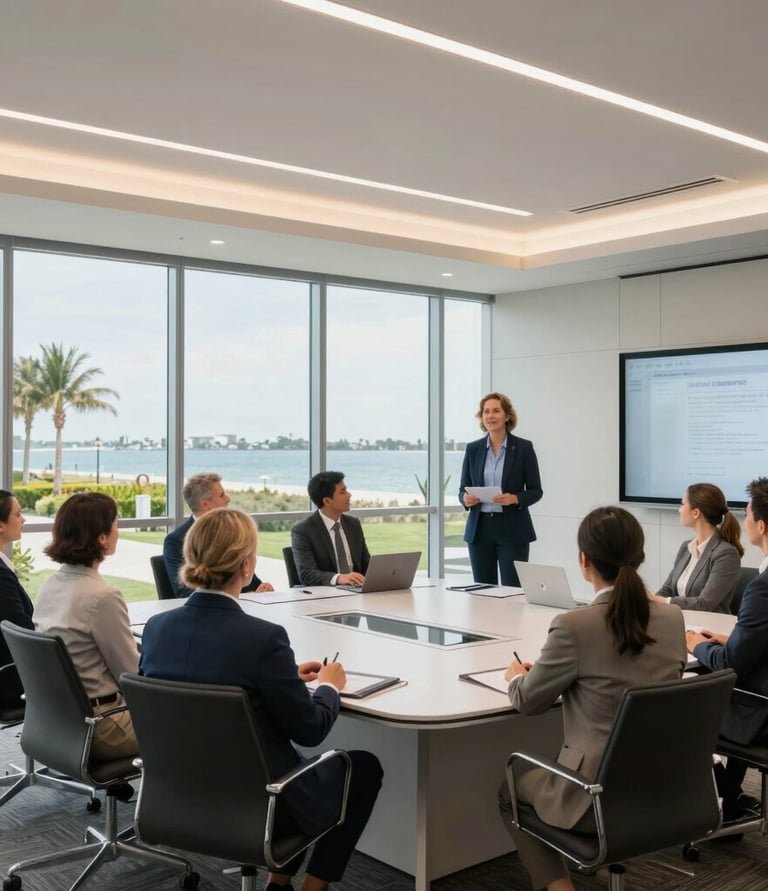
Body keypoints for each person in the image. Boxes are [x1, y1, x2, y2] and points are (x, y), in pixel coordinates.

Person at [140, 508, 382, 891]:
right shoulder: (262, 638)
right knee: (361, 767)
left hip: (177, 796)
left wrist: (283, 676)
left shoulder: (156, 628)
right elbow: (310, 728)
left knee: (293, 768)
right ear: (247, 564)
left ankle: (278, 882)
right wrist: (329, 686)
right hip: (261, 803)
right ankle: (311, 887)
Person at [498, 506, 687, 891]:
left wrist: (520, 676)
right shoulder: (673, 619)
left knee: (510, 788)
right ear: (640, 557)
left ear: (584, 561)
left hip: (594, 796)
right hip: (667, 787)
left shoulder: (574, 626)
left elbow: (528, 702)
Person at [34, 492, 139, 759]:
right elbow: (132, 675)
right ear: (101, 537)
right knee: (194, 721)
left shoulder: (49, 585)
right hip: (105, 726)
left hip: (59, 721)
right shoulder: (102, 596)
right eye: (115, 523)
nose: (118, 531)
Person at [687, 477, 768, 821]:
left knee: (678, 708)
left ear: (761, 526)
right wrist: (728, 638)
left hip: (761, 711)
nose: (744, 518)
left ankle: (718, 800)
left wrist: (697, 645)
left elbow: (731, 662)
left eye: (747, 512)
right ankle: (732, 801)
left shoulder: (762, 589)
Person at [459, 392, 542, 587]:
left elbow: (536, 490)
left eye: (496, 411)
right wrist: (465, 499)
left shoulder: (523, 448)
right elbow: (463, 488)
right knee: (482, 593)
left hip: (512, 529)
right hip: (480, 531)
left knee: (512, 592)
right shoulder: (473, 449)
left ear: (507, 416)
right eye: (486, 412)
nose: (490, 416)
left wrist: (515, 499)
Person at [163, 472, 274, 597]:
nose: (228, 499)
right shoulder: (176, 541)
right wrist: (250, 595)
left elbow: (248, 579)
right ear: (206, 504)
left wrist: (262, 588)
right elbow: (184, 593)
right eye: (222, 495)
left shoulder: (230, 532)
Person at [651, 483, 743, 612]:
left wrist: (660, 601)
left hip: (708, 628)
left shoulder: (726, 554)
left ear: (695, 513)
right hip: (680, 622)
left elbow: (704, 604)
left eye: (682, 504)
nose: (679, 510)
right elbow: (667, 589)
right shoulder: (686, 547)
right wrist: (651, 601)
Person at [291, 471, 370, 587]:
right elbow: (307, 574)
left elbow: (366, 564)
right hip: (326, 595)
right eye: (342, 492)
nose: (349, 495)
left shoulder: (353, 524)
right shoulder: (303, 530)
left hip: (357, 591)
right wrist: (339, 578)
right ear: (327, 501)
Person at [0, 490, 34, 709]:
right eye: (18, 514)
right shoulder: (1, 576)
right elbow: (21, 634)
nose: (23, 519)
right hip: (11, 681)